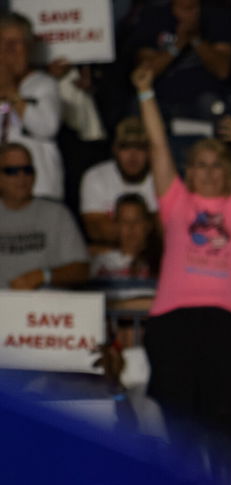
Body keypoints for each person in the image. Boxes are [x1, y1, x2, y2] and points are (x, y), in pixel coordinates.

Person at [133, 63, 231, 459]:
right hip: (173, 323)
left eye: (216, 164)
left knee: (221, 429)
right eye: (200, 164)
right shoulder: (177, 203)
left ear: (229, 172)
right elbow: (157, 148)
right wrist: (146, 94)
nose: (207, 172)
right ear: (189, 172)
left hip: (227, 323)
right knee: (179, 428)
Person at [130, 0, 231, 124]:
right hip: (163, 96)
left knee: (212, 105)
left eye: (192, 8)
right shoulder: (154, 16)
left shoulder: (216, 16)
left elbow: (223, 71)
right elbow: (144, 73)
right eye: (184, 8)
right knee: (140, 103)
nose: (189, 13)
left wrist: (196, 40)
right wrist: (177, 45)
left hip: (204, 97)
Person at [0, 143, 88, 289]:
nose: (21, 176)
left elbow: (81, 270)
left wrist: (44, 275)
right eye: (12, 171)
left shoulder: (57, 214)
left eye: (27, 170)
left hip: (45, 307)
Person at [0, 13, 64, 200]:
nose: (9, 49)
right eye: (3, 41)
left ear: (28, 46)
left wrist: (12, 93)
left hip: (41, 191)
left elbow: (47, 127)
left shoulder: (44, 84)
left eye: (16, 42)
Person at [79, 117, 158, 245]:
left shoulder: (160, 179)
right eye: (125, 147)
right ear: (115, 149)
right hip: (110, 254)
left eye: (140, 147)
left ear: (149, 151)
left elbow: (165, 231)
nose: (133, 156)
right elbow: (95, 230)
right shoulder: (96, 177)